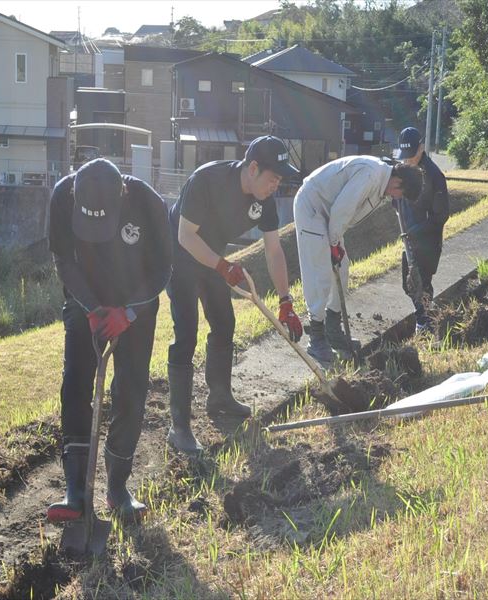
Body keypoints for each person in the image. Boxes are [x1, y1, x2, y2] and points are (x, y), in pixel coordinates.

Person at [46, 158, 172, 524]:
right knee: (75, 383)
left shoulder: (148, 204)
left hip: (137, 301)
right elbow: (63, 260)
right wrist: (90, 307)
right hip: (85, 298)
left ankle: (117, 488)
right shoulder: (61, 198)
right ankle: (76, 490)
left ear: (123, 194)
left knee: (131, 388)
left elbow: (163, 269)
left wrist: (127, 312)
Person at [166, 135, 303, 454]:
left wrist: (285, 301)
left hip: (213, 257)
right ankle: (180, 427)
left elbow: (273, 250)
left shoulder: (264, 201)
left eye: (280, 180)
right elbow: (185, 236)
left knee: (224, 323)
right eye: (273, 178)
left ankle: (219, 396)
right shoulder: (208, 179)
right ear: (253, 168)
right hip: (180, 254)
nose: (276, 186)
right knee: (186, 334)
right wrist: (223, 266)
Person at [293, 156, 423, 365]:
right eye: (401, 195)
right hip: (313, 206)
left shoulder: (381, 182)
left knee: (342, 268)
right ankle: (316, 338)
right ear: (398, 182)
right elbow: (342, 210)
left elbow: (341, 213)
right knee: (321, 270)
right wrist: (333, 243)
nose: (397, 198)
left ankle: (333, 330)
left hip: (329, 213)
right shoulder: (371, 176)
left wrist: (335, 242)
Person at [395, 126, 449, 333]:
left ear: (421, 148)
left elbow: (441, 215)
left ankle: (426, 323)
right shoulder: (404, 170)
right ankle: (425, 319)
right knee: (408, 284)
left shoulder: (434, 175)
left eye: (411, 155)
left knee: (422, 283)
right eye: (404, 156)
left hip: (427, 240)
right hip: (409, 237)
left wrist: (416, 231)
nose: (408, 160)